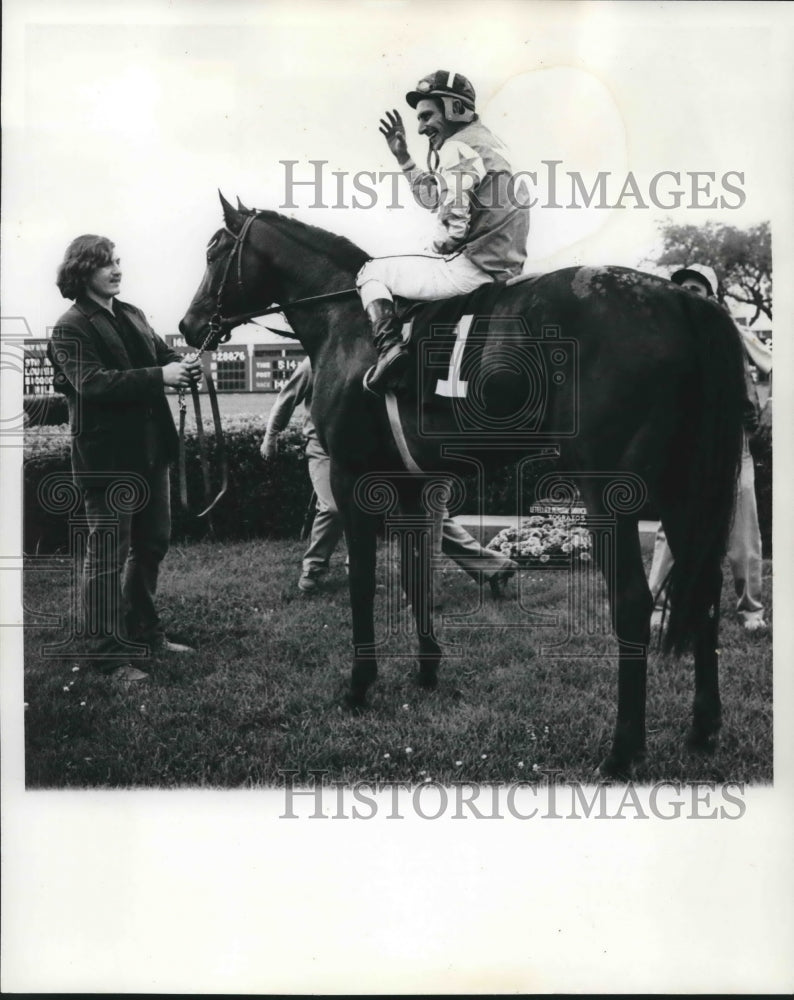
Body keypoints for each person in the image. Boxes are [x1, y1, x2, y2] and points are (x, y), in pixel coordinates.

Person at [49, 235, 203, 681]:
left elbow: (163, 353)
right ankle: (108, 656)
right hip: (107, 460)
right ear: (82, 272)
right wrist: (161, 375)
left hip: (152, 453)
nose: (117, 270)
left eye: (117, 262)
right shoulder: (70, 326)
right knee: (106, 557)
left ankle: (143, 630)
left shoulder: (132, 313)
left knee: (153, 543)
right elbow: (93, 383)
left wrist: (182, 366)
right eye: (105, 264)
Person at [261, 357, 518, 596]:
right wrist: (271, 436)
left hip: (369, 451)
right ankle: (313, 568)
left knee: (418, 514)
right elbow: (287, 398)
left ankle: (491, 567)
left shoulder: (376, 356)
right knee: (335, 508)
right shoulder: (319, 359)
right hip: (325, 449)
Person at [358, 70, 530, 393]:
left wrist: (438, 244)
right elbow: (435, 196)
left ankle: (389, 351)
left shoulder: (457, 147)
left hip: (475, 268)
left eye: (426, 116)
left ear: (453, 109)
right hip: (507, 268)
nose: (420, 127)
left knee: (371, 272)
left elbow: (454, 224)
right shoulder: (488, 142)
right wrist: (405, 159)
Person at [648, 262, 772, 632]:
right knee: (672, 529)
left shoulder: (730, 329)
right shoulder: (665, 334)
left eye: (696, 289)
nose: (688, 294)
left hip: (732, 441)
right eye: (682, 287)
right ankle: (656, 607)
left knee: (743, 532)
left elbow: (774, 365)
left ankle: (752, 612)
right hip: (685, 440)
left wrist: (765, 410)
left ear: (711, 296)